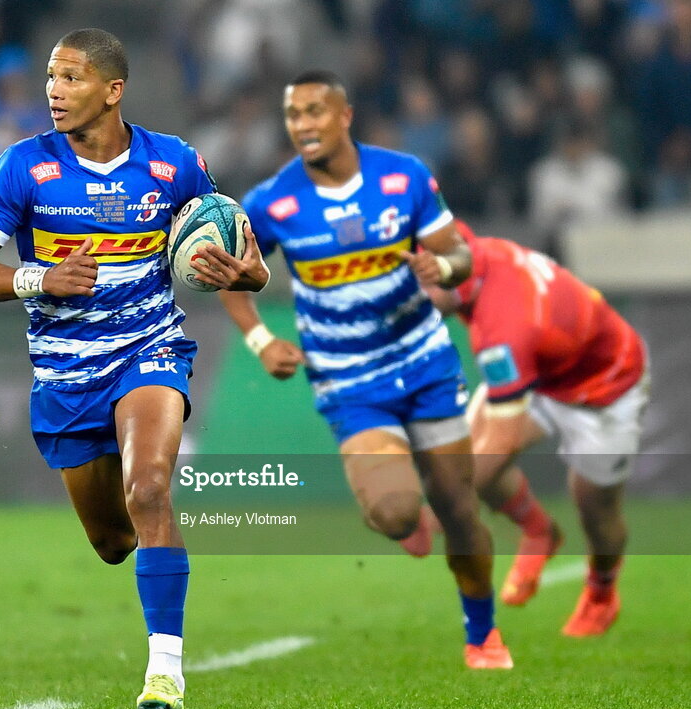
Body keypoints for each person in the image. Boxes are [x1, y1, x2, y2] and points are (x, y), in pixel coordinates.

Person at [0, 28, 269, 709]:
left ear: (113, 89)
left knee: (149, 488)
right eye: (51, 77)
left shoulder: (174, 163)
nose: (53, 92)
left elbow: (234, 246)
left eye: (70, 78)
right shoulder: (22, 168)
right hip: (66, 373)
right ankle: (154, 546)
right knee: (113, 541)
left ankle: (165, 672)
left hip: (149, 350)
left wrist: (248, 272)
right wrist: (38, 278)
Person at [214, 70, 513, 670]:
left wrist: (442, 271)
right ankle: (405, 518)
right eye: (293, 114)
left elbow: (458, 253)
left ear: (345, 116)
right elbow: (230, 276)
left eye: (315, 111)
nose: (303, 124)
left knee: (459, 509)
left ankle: (482, 633)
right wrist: (261, 340)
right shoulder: (271, 202)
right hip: (350, 379)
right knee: (394, 511)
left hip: (424, 361)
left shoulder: (404, 177)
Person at [424, 221, 649, 637]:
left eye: (425, 284)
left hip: (604, 388)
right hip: (540, 370)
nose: (415, 297)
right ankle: (539, 532)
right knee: (467, 462)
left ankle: (602, 591)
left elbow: (504, 440)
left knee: (594, 506)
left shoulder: (504, 327)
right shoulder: (477, 253)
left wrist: (439, 510)